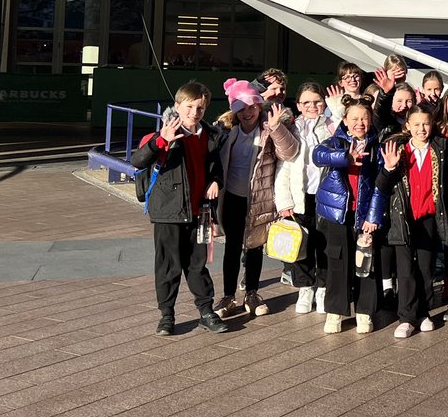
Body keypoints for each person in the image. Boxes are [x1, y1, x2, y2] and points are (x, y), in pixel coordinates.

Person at [132, 81, 228, 337]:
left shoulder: (210, 135)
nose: (194, 113)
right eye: (189, 107)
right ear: (177, 106)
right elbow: (137, 161)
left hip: (199, 211)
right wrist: (160, 141)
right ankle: (167, 316)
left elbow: (216, 167)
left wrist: (216, 180)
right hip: (168, 212)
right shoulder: (163, 133)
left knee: (198, 265)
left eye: (200, 108)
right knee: (168, 266)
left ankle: (206, 312)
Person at [215, 79, 299, 319]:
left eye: (252, 106)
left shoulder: (268, 128)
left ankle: (252, 293)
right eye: (241, 108)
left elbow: (290, 152)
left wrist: (276, 128)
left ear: (259, 105)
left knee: (254, 246)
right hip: (232, 197)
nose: (247, 112)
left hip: (259, 198)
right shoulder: (226, 130)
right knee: (232, 247)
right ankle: (228, 296)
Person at [376, 108, 448, 338]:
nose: (421, 129)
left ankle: (423, 313)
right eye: (416, 124)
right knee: (405, 270)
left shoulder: (440, 150)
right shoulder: (398, 149)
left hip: (429, 218)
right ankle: (406, 317)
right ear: (407, 125)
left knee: (425, 268)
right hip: (402, 218)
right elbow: (381, 186)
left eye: (425, 124)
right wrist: (389, 168)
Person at [313, 98, 386, 333]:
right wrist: (346, 157)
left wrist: (373, 216)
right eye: (354, 118)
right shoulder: (335, 142)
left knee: (366, 262)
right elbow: (318, 155)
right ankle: (335, 311)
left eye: (364, 118)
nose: (360, 123)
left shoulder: (377, 147)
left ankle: (365, 311)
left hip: (365, 215)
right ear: (345, 120)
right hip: (339, 214)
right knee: (338, 261)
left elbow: (381, 186)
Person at [274, 82, 336, 315]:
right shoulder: (291, 128)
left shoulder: (331, 125)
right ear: (298, 105)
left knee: (325, 244)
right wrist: (284, 201)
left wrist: (338, 108)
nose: (312, 106)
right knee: (301, 243)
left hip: (326, 195)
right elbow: (283, 167)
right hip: (300, 197)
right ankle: (305, 287)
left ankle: (323, 287)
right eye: (306, 102)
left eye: (317, 101)